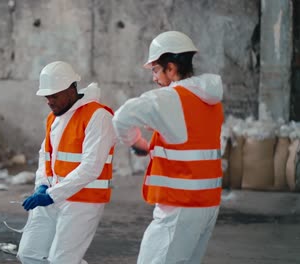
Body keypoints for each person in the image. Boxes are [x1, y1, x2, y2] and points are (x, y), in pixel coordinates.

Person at [112, 31, 224, 264]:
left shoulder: (170, 98)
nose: (154, 77)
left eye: (155, 69)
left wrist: (137, 142)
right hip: (208, 205)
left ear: (170, 68)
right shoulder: (210, 100)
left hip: (179, 206)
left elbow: (121, 118)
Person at [17, 61, 116, 264]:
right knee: (29, 254)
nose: (49, 101)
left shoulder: (98, 116)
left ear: (72, 89)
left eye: (55, 96)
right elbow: (46, 154)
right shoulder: (53, 118)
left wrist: (52, 194)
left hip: (83, 201)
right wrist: (42, 185)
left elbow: (91, 167)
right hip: (52, 195)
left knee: (62, 261)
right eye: (47, 96)